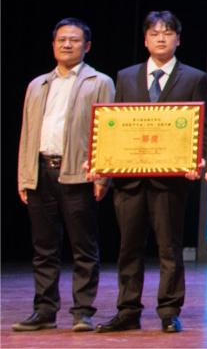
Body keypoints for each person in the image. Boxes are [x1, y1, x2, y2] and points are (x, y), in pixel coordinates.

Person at [96, 11, 207, 334]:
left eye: (168, 32)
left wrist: (197, 159)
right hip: (129, 178)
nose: (161, 38)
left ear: (178, 39)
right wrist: (104, 164)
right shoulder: (126, 76)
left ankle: (169, 311)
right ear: (145, 40)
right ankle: (127, 310)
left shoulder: (194, 78)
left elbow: (201, 127)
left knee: (169, 248)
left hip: (170, 180)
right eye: (155, 33)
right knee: (128, 248)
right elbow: (115, 125)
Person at [14, 18, 115, 333]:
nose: (67, 44)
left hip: (78, 173)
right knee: (44, 248)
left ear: (87, 46)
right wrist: (24, 176)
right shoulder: (38, 84)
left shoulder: (99, 82)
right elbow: (27, 132)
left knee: (83, 247)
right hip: (41, 171)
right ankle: (44, 310)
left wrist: (103, 175)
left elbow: (108, 130)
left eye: (74, 40)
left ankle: (82, 311)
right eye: (61, 40)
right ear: (53, 45)